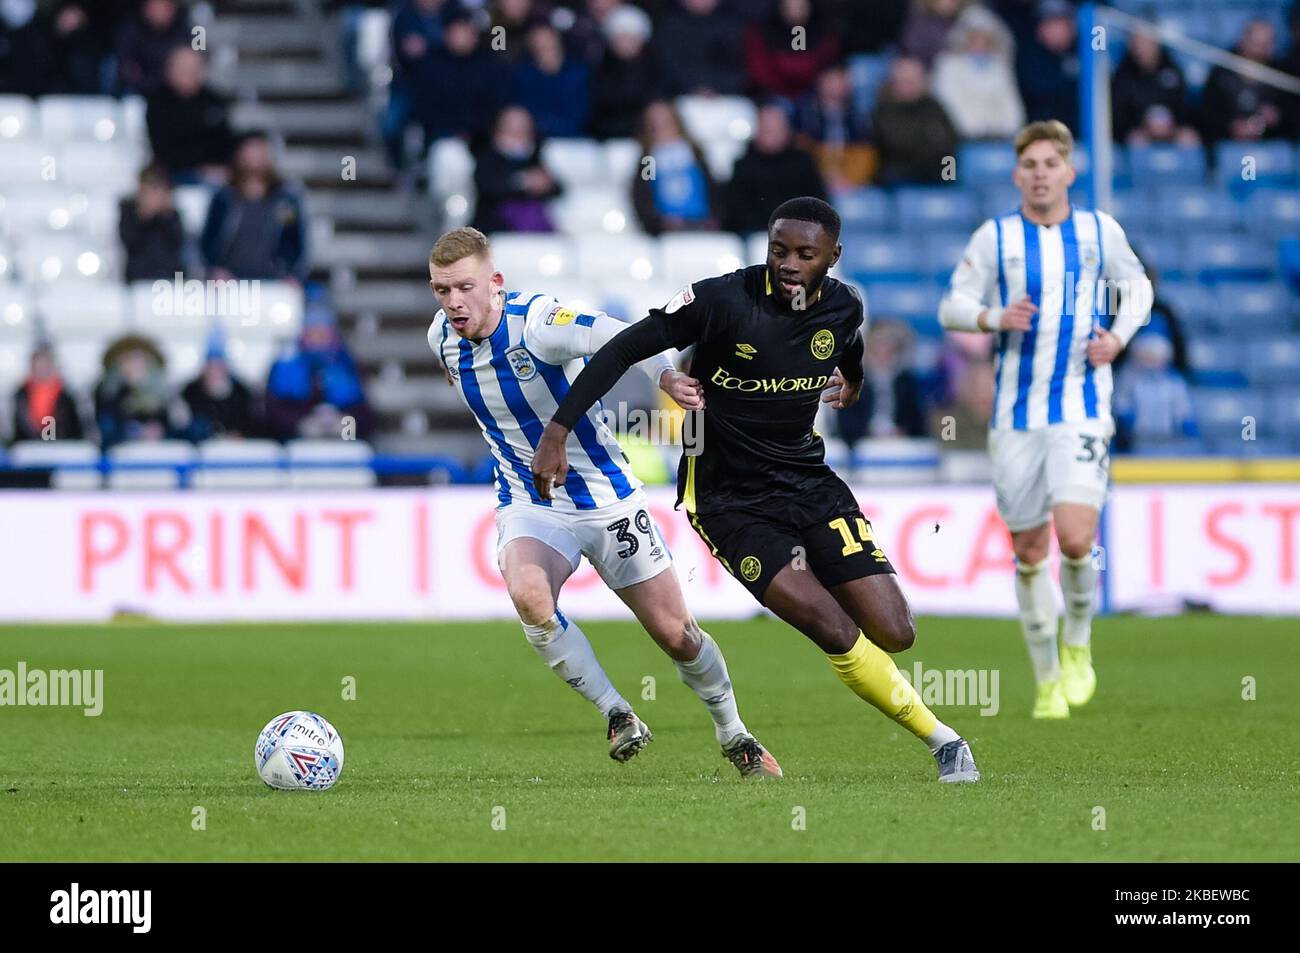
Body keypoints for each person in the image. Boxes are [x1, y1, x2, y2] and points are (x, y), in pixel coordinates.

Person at [532, 197, 981, 783]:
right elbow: (622, 347)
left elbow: (848, 347)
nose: (788, 263)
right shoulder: (721, 300)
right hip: (728, 501)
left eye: (804, 254)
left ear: (832, 258)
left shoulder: (845, 307)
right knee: (832, 626)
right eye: (778, 250)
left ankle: (893, 677)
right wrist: (558, 430)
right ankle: (944, 742)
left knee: (896, 632)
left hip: (809, 483)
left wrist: (855, 379)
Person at [426, 226, 782, 778]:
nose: (452, 303)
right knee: (528, 596)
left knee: (676, 634)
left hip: (605, 498)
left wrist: (664, 374)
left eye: (463, 288)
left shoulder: (539, 323)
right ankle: (617, 712)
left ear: (494, 283)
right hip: (530, 499)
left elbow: (620, 335)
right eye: (441, 291)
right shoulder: (440, 339)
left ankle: (734, 733)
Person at [939, 120, 1153, 718]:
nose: (1040, 174)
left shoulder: (1097, 230)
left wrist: (1118, 336)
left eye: (1049, 164)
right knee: (1030, 550)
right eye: (1029, 165)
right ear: (1017, 174)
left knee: (1078, 539)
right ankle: (1047, 677)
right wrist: (993, 318)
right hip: (1014, 417)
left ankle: (1079, 645)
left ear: (1069, 171)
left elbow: (1137, 289)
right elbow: (950, 306)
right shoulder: (995, 237)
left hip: (1082, 408)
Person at [200, 132, 308, 282]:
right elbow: (209, 241)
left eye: (259, 151)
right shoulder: (224, 199)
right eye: (250, 150)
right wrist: (215, 269)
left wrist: (290, 273)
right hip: (229, 279)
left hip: (271, 279)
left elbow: (292, 240)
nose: (254, 157)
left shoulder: (284, 202)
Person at [724, 103, 826, 235]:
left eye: (777, 129)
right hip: (754, 234)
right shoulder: (743, 165)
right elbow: (737, 210)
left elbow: (817, 204)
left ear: (787, 130)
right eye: (767, 129)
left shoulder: (803, 162)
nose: (771, 135)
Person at [631, 99, 720, 235]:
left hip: (702, 224)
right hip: (667, 229)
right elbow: (643, 194)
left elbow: (712, 188)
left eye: (665, 122)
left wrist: (714, 218)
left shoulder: (695, 153)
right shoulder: (648, 159)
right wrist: (658, 222)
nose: (660, 127)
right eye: (654, 124)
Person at [146, 46, 234, 183]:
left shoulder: (214, 101)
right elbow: (162, 147)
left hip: (215, 173)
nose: (188, 74)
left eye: (193, 69)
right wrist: (200, 167)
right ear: (170, 71)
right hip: (173, 174)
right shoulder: (158, 103)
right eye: (183, 69)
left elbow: (224, 140)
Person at [471, 106, 562, 234]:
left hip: (535, 230)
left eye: (523, 128)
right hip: (495, 230)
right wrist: (522, 182)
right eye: (513, 127)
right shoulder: (487, 156)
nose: (518, 131)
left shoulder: (535, 156)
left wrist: (545, 184)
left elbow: (558, 189)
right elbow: (487, 186)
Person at [870, 56, 958, 185]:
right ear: (894, 82)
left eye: (914, 80)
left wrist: (948, 175)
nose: (910, 86)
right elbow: (894, 145)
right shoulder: (883, 109)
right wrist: (929, 140)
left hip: (935, 173)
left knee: (951, 176)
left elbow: (949, 142)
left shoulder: (934, 106)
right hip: (899, 175)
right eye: (905, 81)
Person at [119, 163, 185, 283]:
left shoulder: (172, 214)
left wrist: (165, 216)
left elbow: (177, 243)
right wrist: (144, 215)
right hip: (138, 278)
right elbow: (129, 241)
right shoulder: (129, 210)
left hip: (169, 278)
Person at [10, 342, 84, 442]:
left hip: (61, 446)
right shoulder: (21, 394)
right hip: (29, 447)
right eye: (38, 364)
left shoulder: (66, 394)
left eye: (45, 364)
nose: (41, 368)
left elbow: (74, 425)